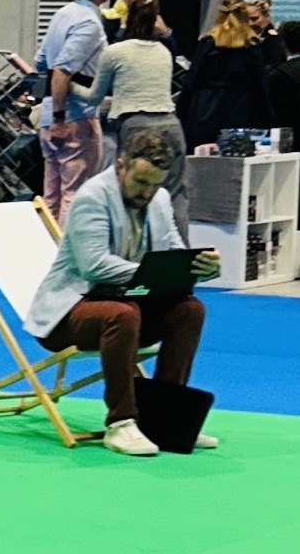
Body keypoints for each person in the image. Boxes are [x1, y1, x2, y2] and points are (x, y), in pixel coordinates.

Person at [24, 129, 221, 458]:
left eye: (154, 184)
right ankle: (121, 423)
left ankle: (165, 418)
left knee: (190, 310)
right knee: (122, 312)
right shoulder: (91, 197)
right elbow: (94, 266)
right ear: (120, 166)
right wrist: (151, 273)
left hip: (130, 306)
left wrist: (198, 268)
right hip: (69, 312)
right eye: (141, 182)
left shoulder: (158, 200)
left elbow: (172, 251)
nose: (147, 192)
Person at [88, 0, 189, 229]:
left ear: (126, 18)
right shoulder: (164, 51)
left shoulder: (115, 52)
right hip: (171, 125)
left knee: (134, 196)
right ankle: (180, 256)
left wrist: (66, 85)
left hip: (136, 126)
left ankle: (133, 254)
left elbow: (94, 96)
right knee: (176, 196)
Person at [36, 0, 113, 219]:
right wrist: (60, 118)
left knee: (52, 195)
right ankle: (68, 256)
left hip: (49, 115)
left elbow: (41, 62)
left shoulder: (61, 14)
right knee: (74, 194)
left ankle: (49, 254)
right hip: (73, 117)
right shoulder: (89, 23)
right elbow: (61, 71)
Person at [178, 0, 274, 152]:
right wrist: (268, 117)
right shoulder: (252, 45)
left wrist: (181, 110)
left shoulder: (208, 42)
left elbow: (191, 80)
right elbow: (261, 86)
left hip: (206, 109)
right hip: (240, 111)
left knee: (200, 161)